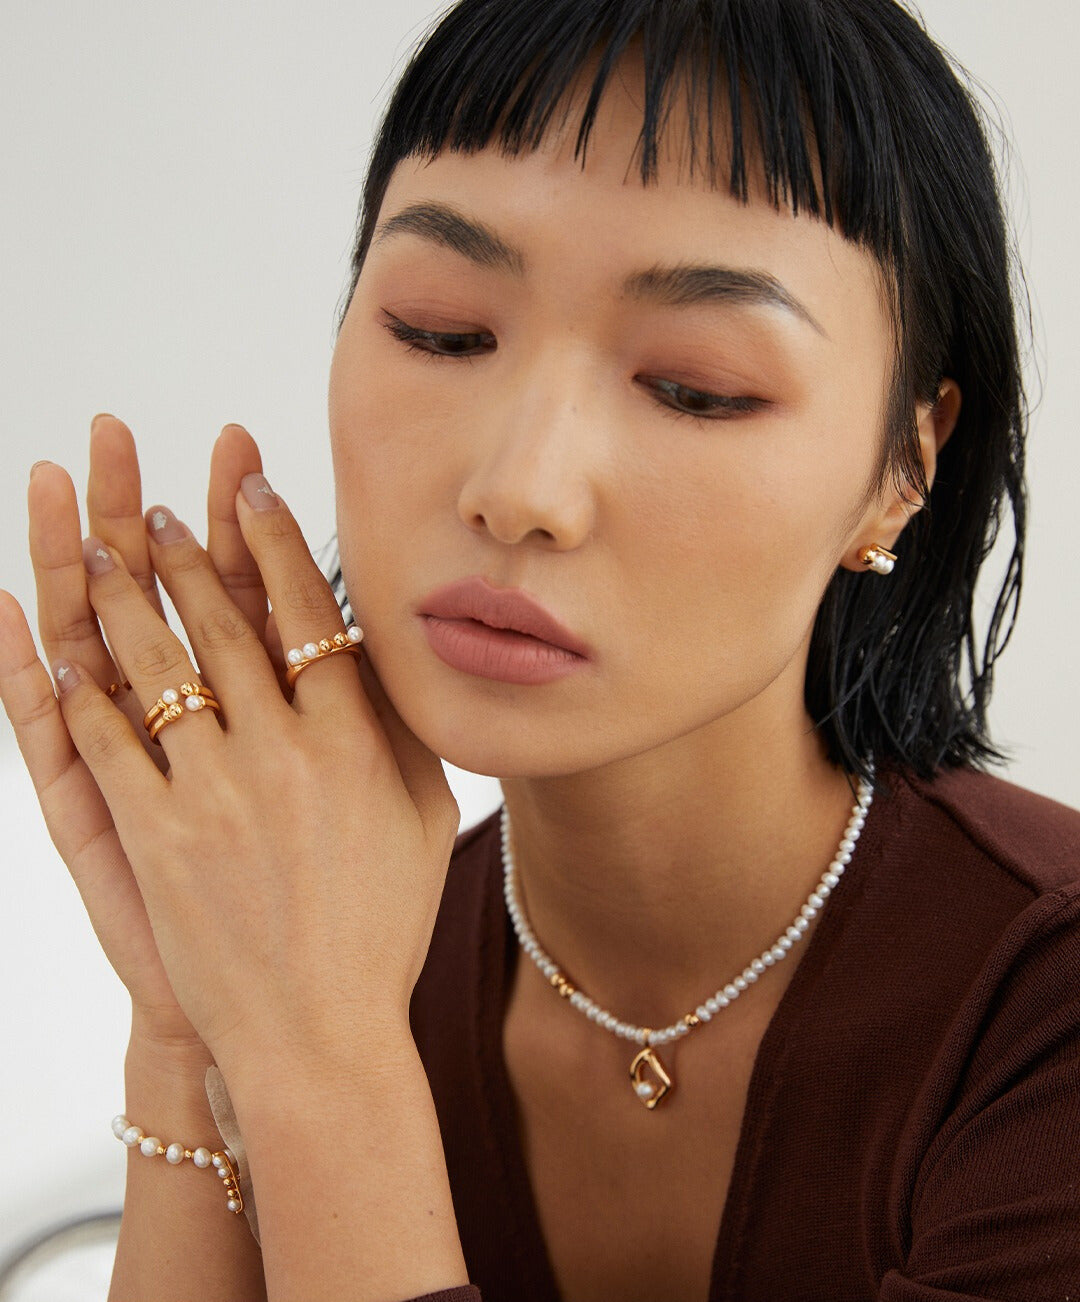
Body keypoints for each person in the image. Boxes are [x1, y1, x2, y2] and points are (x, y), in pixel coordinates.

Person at [0, 0, 1077, 1298]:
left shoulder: (1040, 1009)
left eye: (695, 385)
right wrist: (196, 1025)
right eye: (442, 329)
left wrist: (323, 1069)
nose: (520, 488)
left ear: (905, 465)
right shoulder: (326, 958)